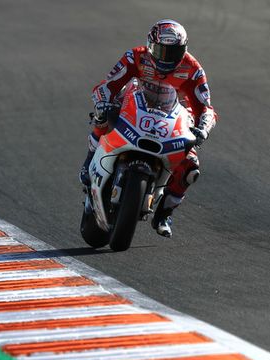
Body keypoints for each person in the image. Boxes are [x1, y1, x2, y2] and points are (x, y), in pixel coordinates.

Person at [79, 19, 217, 237]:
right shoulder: (135, 56)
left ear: (184, 49)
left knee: (191, 169)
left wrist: (203, 128)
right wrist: (103, 102)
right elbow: (108, 85)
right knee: (102, 117)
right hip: (132, 109)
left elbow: (206, 107)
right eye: (161, 50)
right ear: (151, 45)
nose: (166, 57)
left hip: (170, 121)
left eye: (174, 52)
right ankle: (89, 162)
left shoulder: (193, 70)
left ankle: (164, 213)